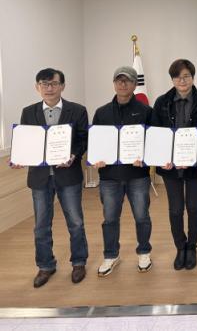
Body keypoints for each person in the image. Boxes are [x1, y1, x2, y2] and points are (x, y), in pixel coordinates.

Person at [11, 68, 89, 287]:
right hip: (40, 177)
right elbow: (26, 141)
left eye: (53, 83)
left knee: (75, 222)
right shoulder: (28, 112)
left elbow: (83, 139)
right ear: (37, 87)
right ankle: (45, 266)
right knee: (41, 225)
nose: (49, 88)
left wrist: (73, 155)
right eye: (44, 84)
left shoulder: (77, 110)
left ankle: (79, 262)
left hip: (68, 174)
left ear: (62, 86)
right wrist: (19, 157)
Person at [92, 66, 153, 277]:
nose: (123, 84)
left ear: (135, 84)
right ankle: (111, 255)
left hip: (138, 176)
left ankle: (144, 252)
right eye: (119, 80)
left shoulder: (146, 111)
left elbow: (153, 142)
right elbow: (96, 142)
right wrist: (96, 158)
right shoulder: (101, 112)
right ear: (114, 84)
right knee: (110, 219)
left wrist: (146, 157)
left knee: (142, 217)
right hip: (109, 176)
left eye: (127, 81)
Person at [151, 59, 197, 271]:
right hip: (170, 166)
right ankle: (180, 246)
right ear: (172, 79)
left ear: (193, 78)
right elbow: (156, 133)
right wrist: (161, 158)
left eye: (186, 76)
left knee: (193, 207)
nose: (182, 81)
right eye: (177, 77)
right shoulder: (161, 102)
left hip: (195, 166)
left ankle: (192, 246)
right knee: (175, 209)